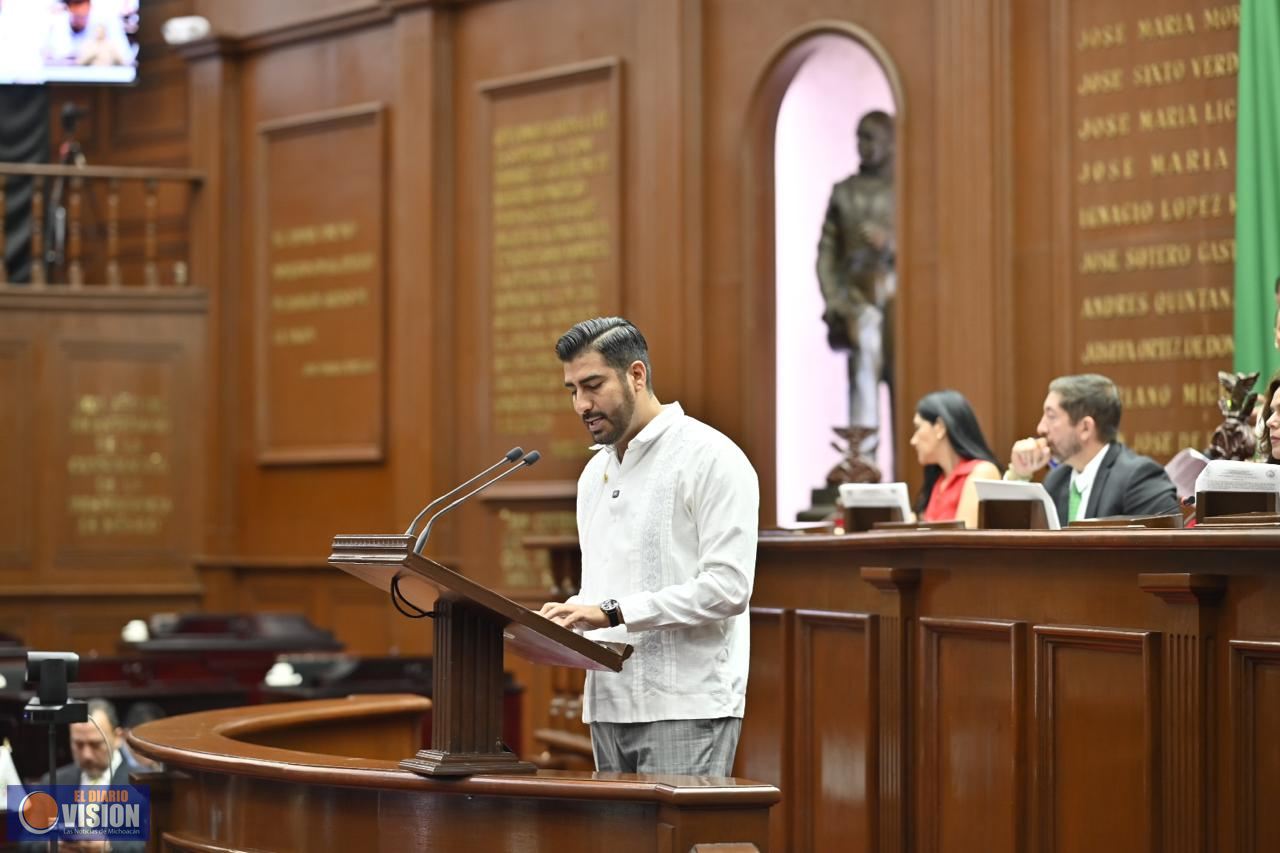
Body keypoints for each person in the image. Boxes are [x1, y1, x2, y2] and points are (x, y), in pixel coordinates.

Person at [538, 317, 759, 776]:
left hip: (686, 703)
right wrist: (565, 619)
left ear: (636, 375)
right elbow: (600, 590)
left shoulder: (711, 457)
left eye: (593, 385)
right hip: (607, 704)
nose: (582, 404)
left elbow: (728, 588)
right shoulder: (592, 476)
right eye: (572, 390)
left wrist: (612, 611)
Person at [816, 110, 896, 454]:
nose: (863, 145)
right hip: (859, 299)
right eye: (859, 137)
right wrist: (835, 301)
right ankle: (865, 462)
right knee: (863, 367)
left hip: (899, 300)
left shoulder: (905, 189)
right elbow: (826, 256)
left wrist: (889, 242)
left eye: (871, 137)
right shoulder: (843, 193)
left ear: (889, 142)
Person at [1006, 374, 1179, 525]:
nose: (1040, 428)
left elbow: (1164, 553)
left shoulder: (1139, 478)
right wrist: (1020, 474)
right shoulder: (1056, 480)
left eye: (1051, 416)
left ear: (1085, 428)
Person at [909, 390, 1002, 528]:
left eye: (918, 428)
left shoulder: (982, 472)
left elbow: (963, 540)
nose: (913, 441)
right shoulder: (938, 480)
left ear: (939, 428)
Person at [119, 701, 166, 772]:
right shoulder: (112, 761)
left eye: (157, 740)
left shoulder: (163, 763)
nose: (152, 747)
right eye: (147, 739)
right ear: (126, 734)